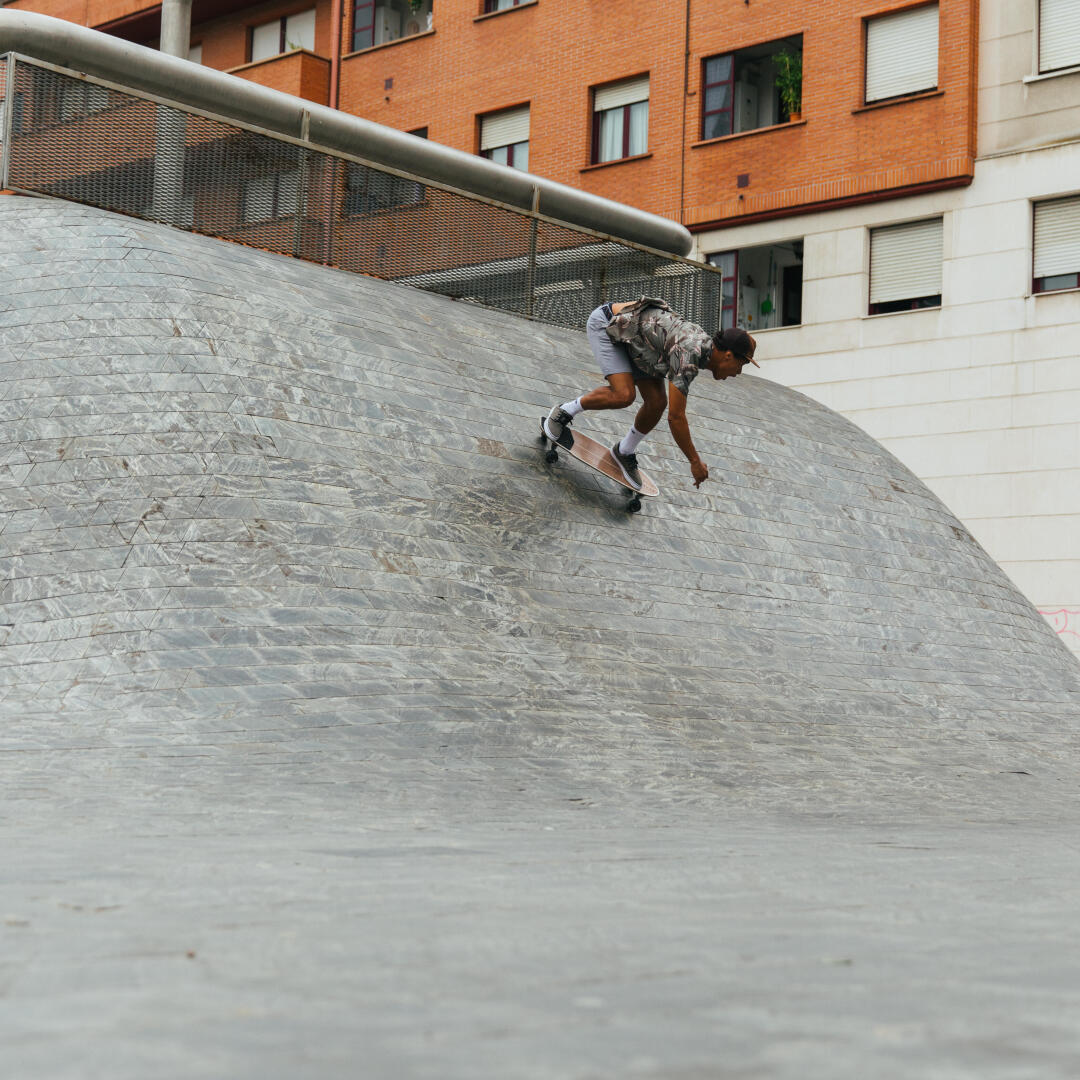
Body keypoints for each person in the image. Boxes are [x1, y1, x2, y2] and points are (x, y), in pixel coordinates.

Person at [544, 297, 758, 490]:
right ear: (728, 356)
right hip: (609, 324)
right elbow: (676, 418)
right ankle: (564, 412)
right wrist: (694, 461)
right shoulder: (689, 353)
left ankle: (624, 451)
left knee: (656, 402)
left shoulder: (702, 349)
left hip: (640, 343)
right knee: (624, 395)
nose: (738, 373)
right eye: (740, 366)